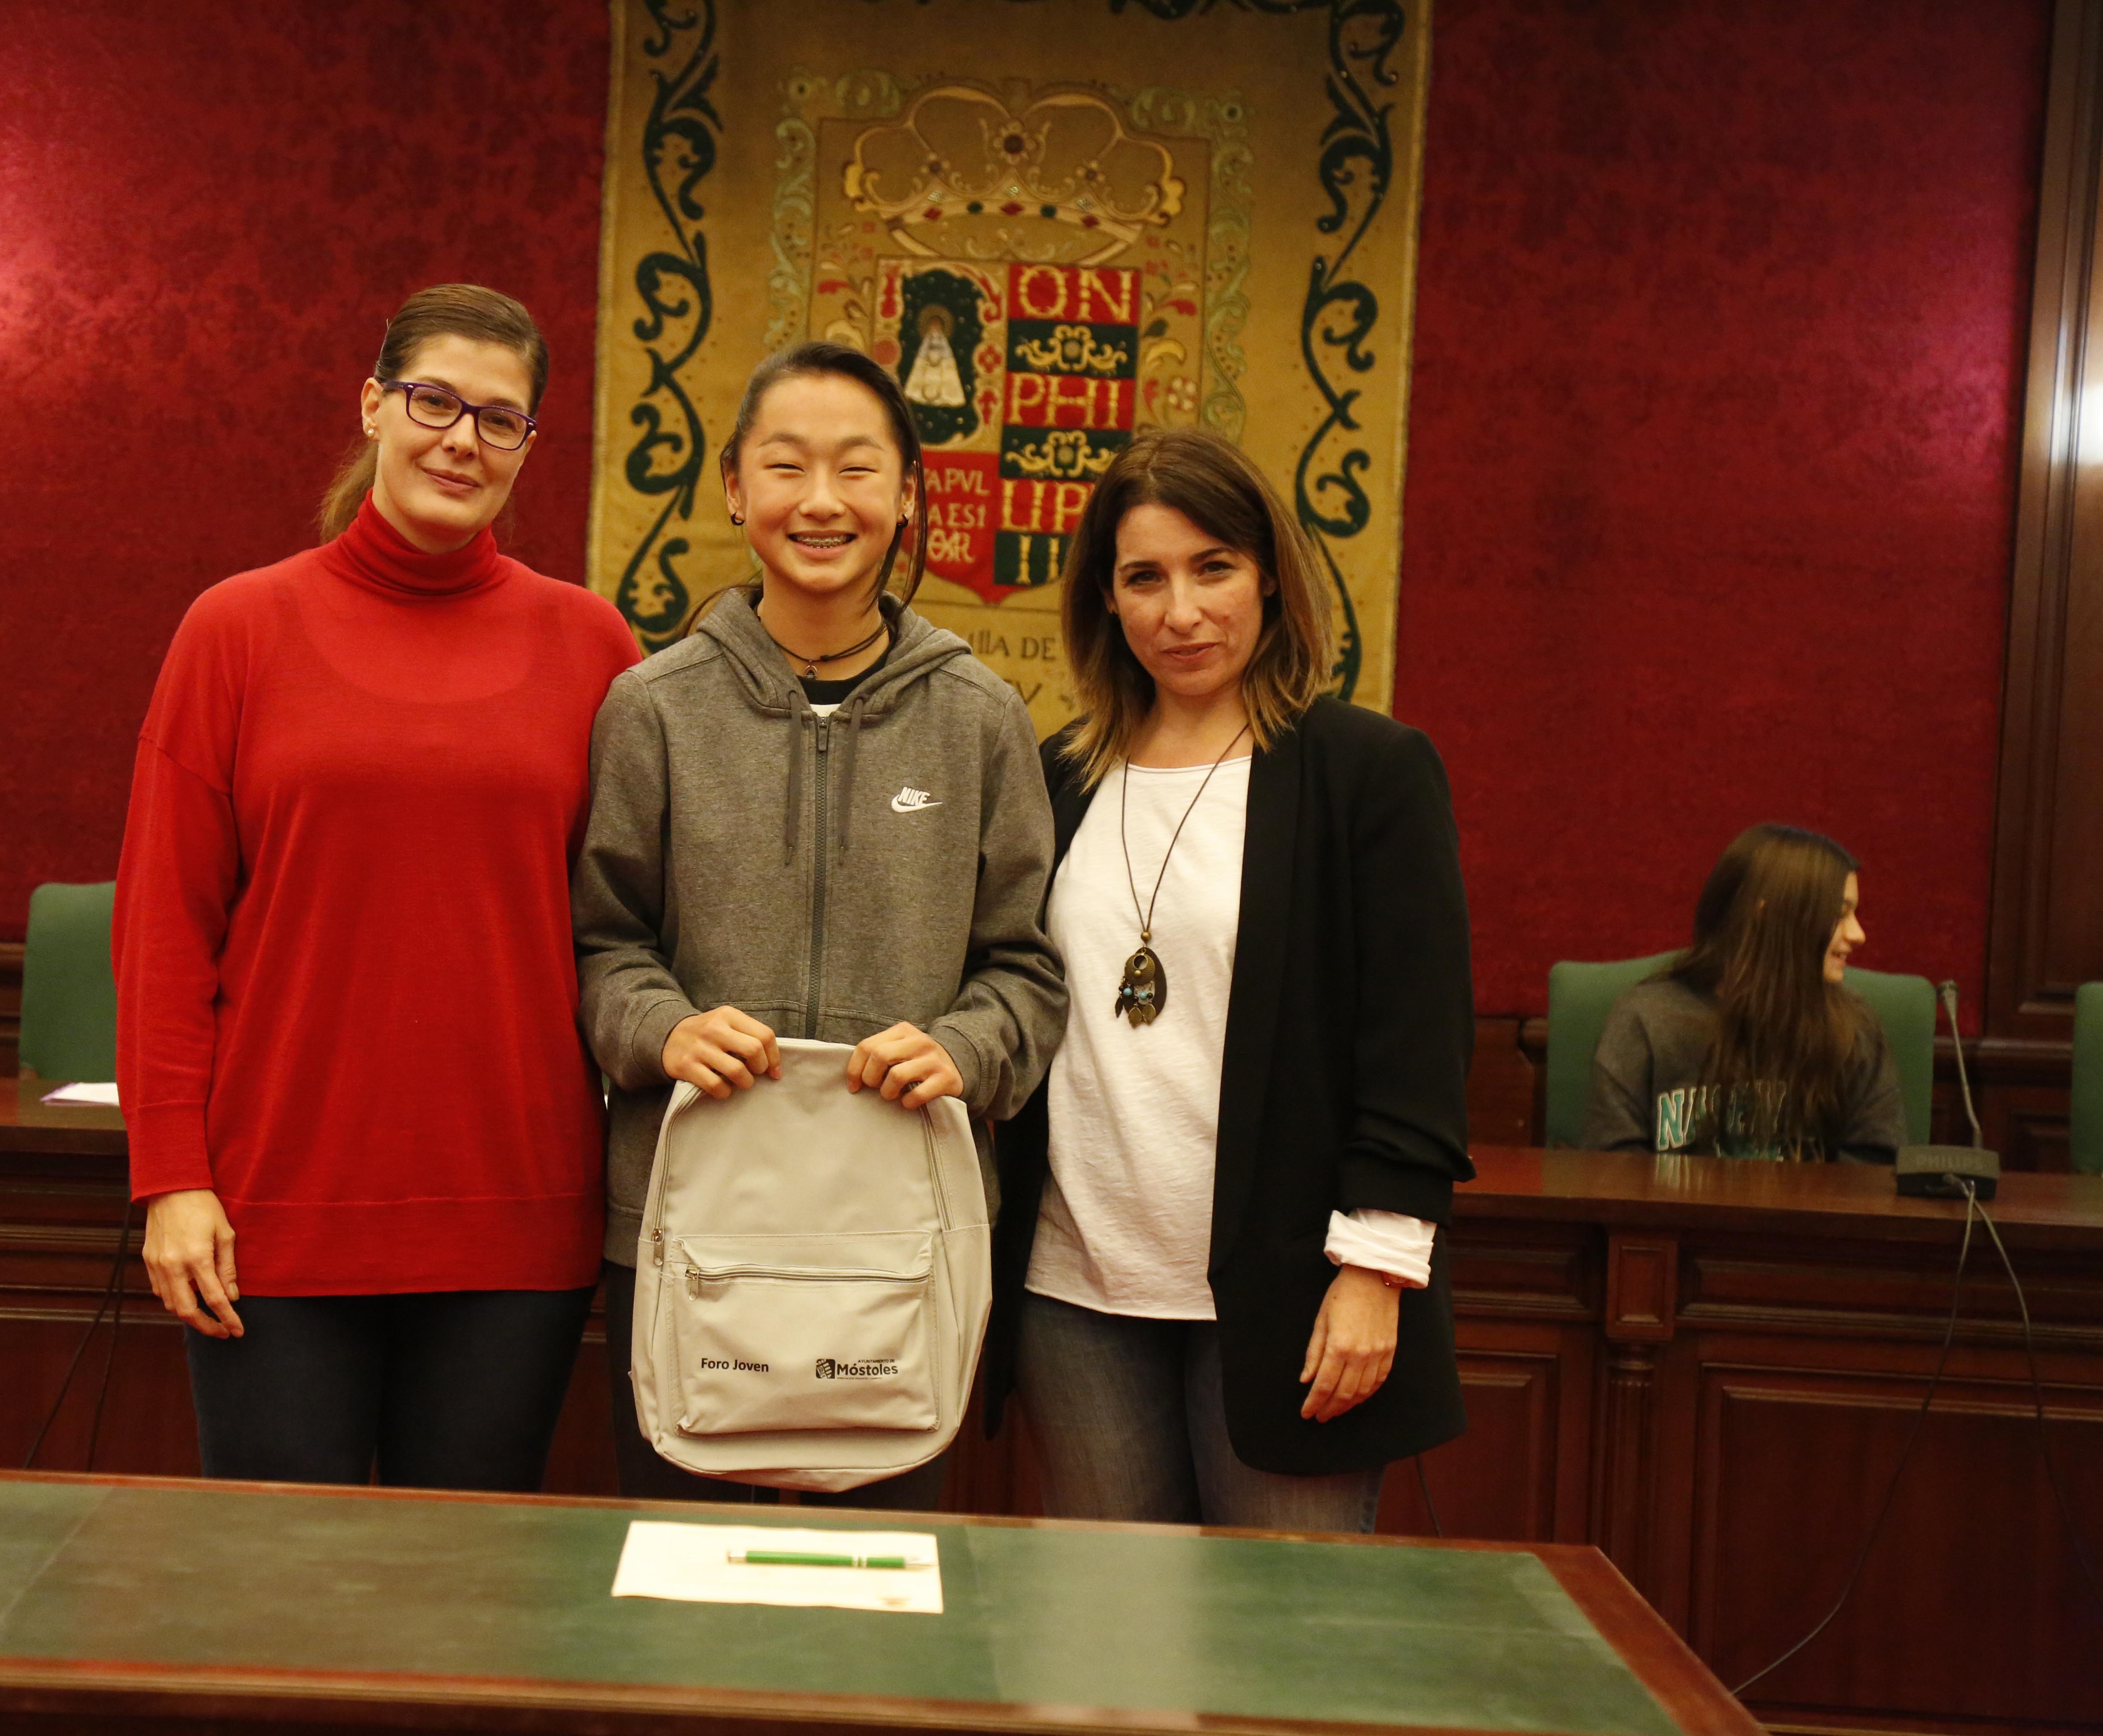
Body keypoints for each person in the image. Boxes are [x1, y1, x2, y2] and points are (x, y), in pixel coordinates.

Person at [116, 283, 642, 1492]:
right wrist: (173, 1180)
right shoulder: (236, 629)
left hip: (515, 1216)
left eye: (498, 419)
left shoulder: (593, 647)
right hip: (273, 1214)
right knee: (277, 1580)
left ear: (527, 445)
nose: (462, 440)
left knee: (465, 1585)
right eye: (434, 402)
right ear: (372, 405)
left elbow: (633, 927)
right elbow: (162, 933)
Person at [573, 340, 1068, 1510]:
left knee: (878, 1600)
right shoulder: (653, 708)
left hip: (902, 1230)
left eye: (857, 468)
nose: (821, 501)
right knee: (682, 1586)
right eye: (786, 466)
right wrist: (662, 1027)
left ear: (908, 496)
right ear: (734, 488)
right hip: (690, 1225)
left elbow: (1027, 968)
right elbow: (602, 941)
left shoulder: (981, 716)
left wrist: (967, 1048)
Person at [987, 426, 1472, 1531]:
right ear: (1105, 598)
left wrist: (1376, 1269)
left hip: (1295, 1289)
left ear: (1268, 578)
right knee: (1109, 1625)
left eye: (1213, 569)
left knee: (1278, 1626)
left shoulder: (1366, 772)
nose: (1182, 612)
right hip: (1076, 1291)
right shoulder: (1058, 775)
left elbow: (1416, 1043)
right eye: (1144, 578)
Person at [1583, 823, 1903, 1162]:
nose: (1858, 935)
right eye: (1839, 915)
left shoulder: (1854, 1025)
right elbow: (1610, 1170)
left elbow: (1875, 1168)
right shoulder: (1646, 1020)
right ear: (1766, 916)